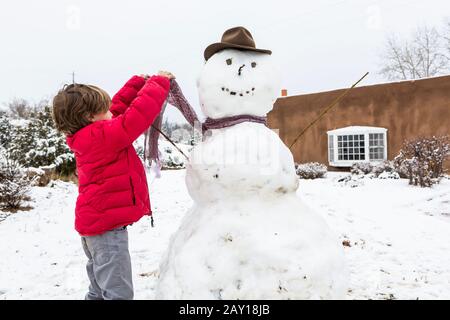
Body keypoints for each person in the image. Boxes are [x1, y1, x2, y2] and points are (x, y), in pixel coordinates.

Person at [52, 71, 174, 300]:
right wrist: (159, 82)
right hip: (106, 234)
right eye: (104, 108)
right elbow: (134, 118)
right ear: (90, 116)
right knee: (118, 294)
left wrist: (138, 82)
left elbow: (116, 109)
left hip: (96, 230)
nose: (111, 112)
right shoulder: (101, 136)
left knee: (98, 290)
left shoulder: (90, 134)